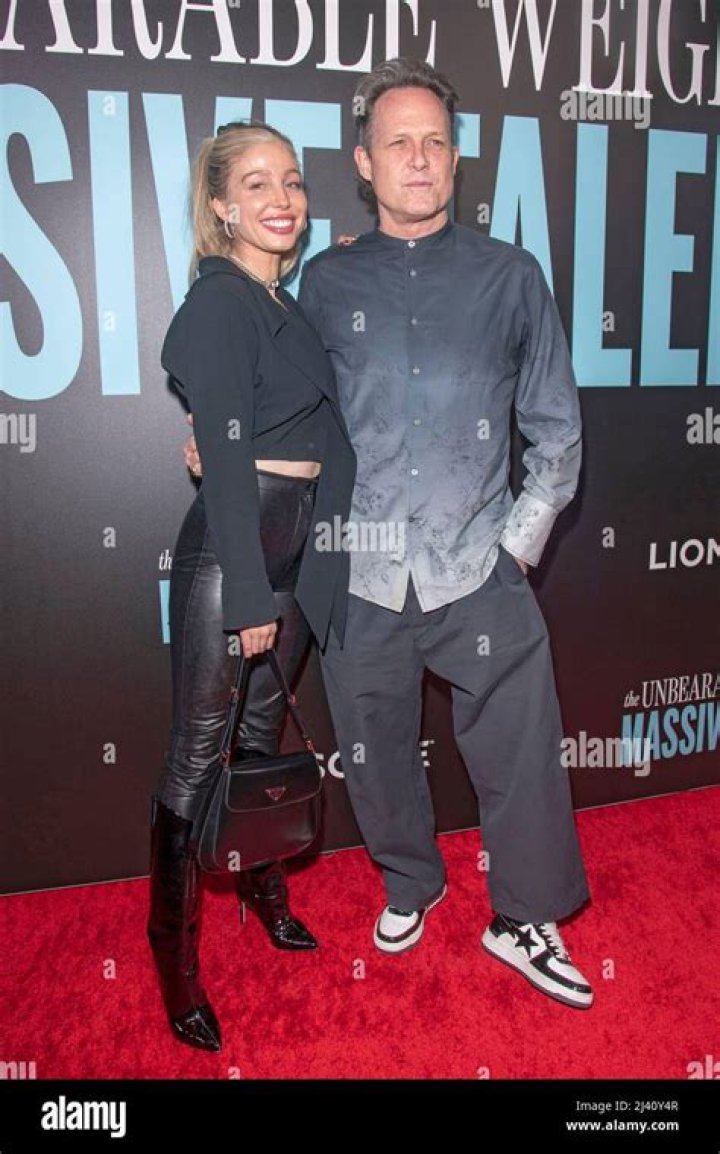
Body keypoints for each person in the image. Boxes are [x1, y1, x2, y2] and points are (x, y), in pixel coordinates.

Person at [186, 58, 594, 1010]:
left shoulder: (511, 277)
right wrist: (220, 435)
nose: (419, 158)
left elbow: (557, 429)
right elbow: (280, 397)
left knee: (521, 750)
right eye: (398, 143)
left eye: (435, 142)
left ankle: (524, 915)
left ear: (456, 160)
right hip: (360, 568)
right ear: (365, 164)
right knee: (373, 749)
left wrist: (516, 547)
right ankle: (412, 881)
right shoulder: (324, 282)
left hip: (477, 561)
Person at [148, 121, 356, 1053]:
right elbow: (228, 461)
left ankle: (265, 889)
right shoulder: (221, 303)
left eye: (294, 182)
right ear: (222, 205)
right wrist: (247, 593)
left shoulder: (284, 303)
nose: (282, 199)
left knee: (263, 735)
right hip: (239, 547)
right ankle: (174, 957)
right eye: (258, 183)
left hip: (300, 543)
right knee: (198, 752)